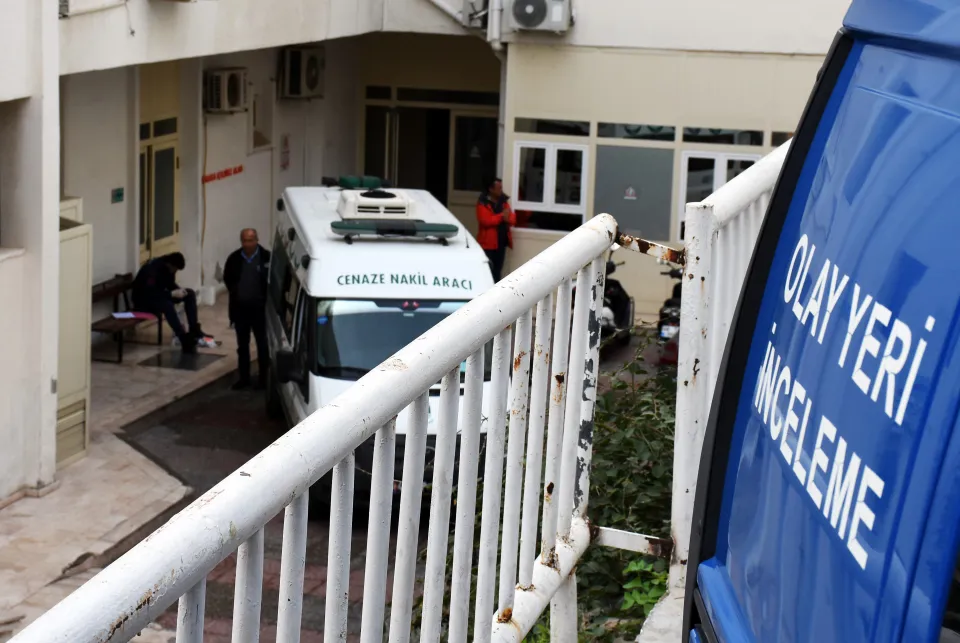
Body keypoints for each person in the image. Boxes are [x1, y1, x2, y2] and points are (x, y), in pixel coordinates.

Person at [223, 228, 272, 390]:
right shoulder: (234, 259)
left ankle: (263, 379)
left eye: (250, 240)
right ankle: (244, 378)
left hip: (259, 310)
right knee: (242, 346)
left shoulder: (266, 257)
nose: (247, 244)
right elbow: (228, 279)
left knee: (262, 345)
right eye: (244, 241)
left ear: (257, 240)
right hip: (241, 310)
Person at [132, 252, 203, 354]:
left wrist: (179, 290)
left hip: (158, 296)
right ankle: (182, 337)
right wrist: (171, 294)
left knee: (189, 294)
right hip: (144, 301)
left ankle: (194, 329)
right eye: (175, 269)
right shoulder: (152, 269)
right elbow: (150, 293)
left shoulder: (168, 269)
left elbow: (169, 284)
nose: (175, 272)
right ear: (170, 264)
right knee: (167, 306)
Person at [476, 177, 516, 282]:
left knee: (497, 272)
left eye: (501, 188)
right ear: (491, 189)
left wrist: (505, 217)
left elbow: (512, 219)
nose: (501, 190)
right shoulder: (483, 203)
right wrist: (502, 216)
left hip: (501, 244)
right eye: (499, 188)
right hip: (487, 245)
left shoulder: (504, 202)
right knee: (487, 272)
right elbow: (486, 221)